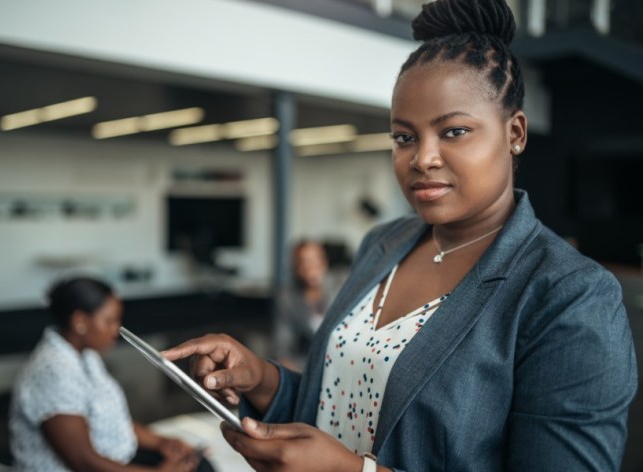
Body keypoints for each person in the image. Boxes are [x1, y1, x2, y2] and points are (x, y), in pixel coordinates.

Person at [163, 0, 638, 470]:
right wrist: (263, 380)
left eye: (453, 132)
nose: (421, 158)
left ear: (514, 133)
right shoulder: (384, 243)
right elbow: (340, 406)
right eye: (404, 137)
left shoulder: (570, 296)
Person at [9, 277, 213, 472]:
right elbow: (84, 463)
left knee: (196, 463)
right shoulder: (53, 373)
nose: (116, 330)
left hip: (113, 459)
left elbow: (110, 419)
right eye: (109, 321)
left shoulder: (85, 355)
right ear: (80, 320)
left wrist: (162, 442)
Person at [274, 240, 342, 369]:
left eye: (315, 260)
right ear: (295, 267)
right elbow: (282, 346)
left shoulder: (341, 284)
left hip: (343, 357)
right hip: (308, 362)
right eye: (304, 262)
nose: (310, 266)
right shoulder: (287, 298)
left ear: (324, 262)